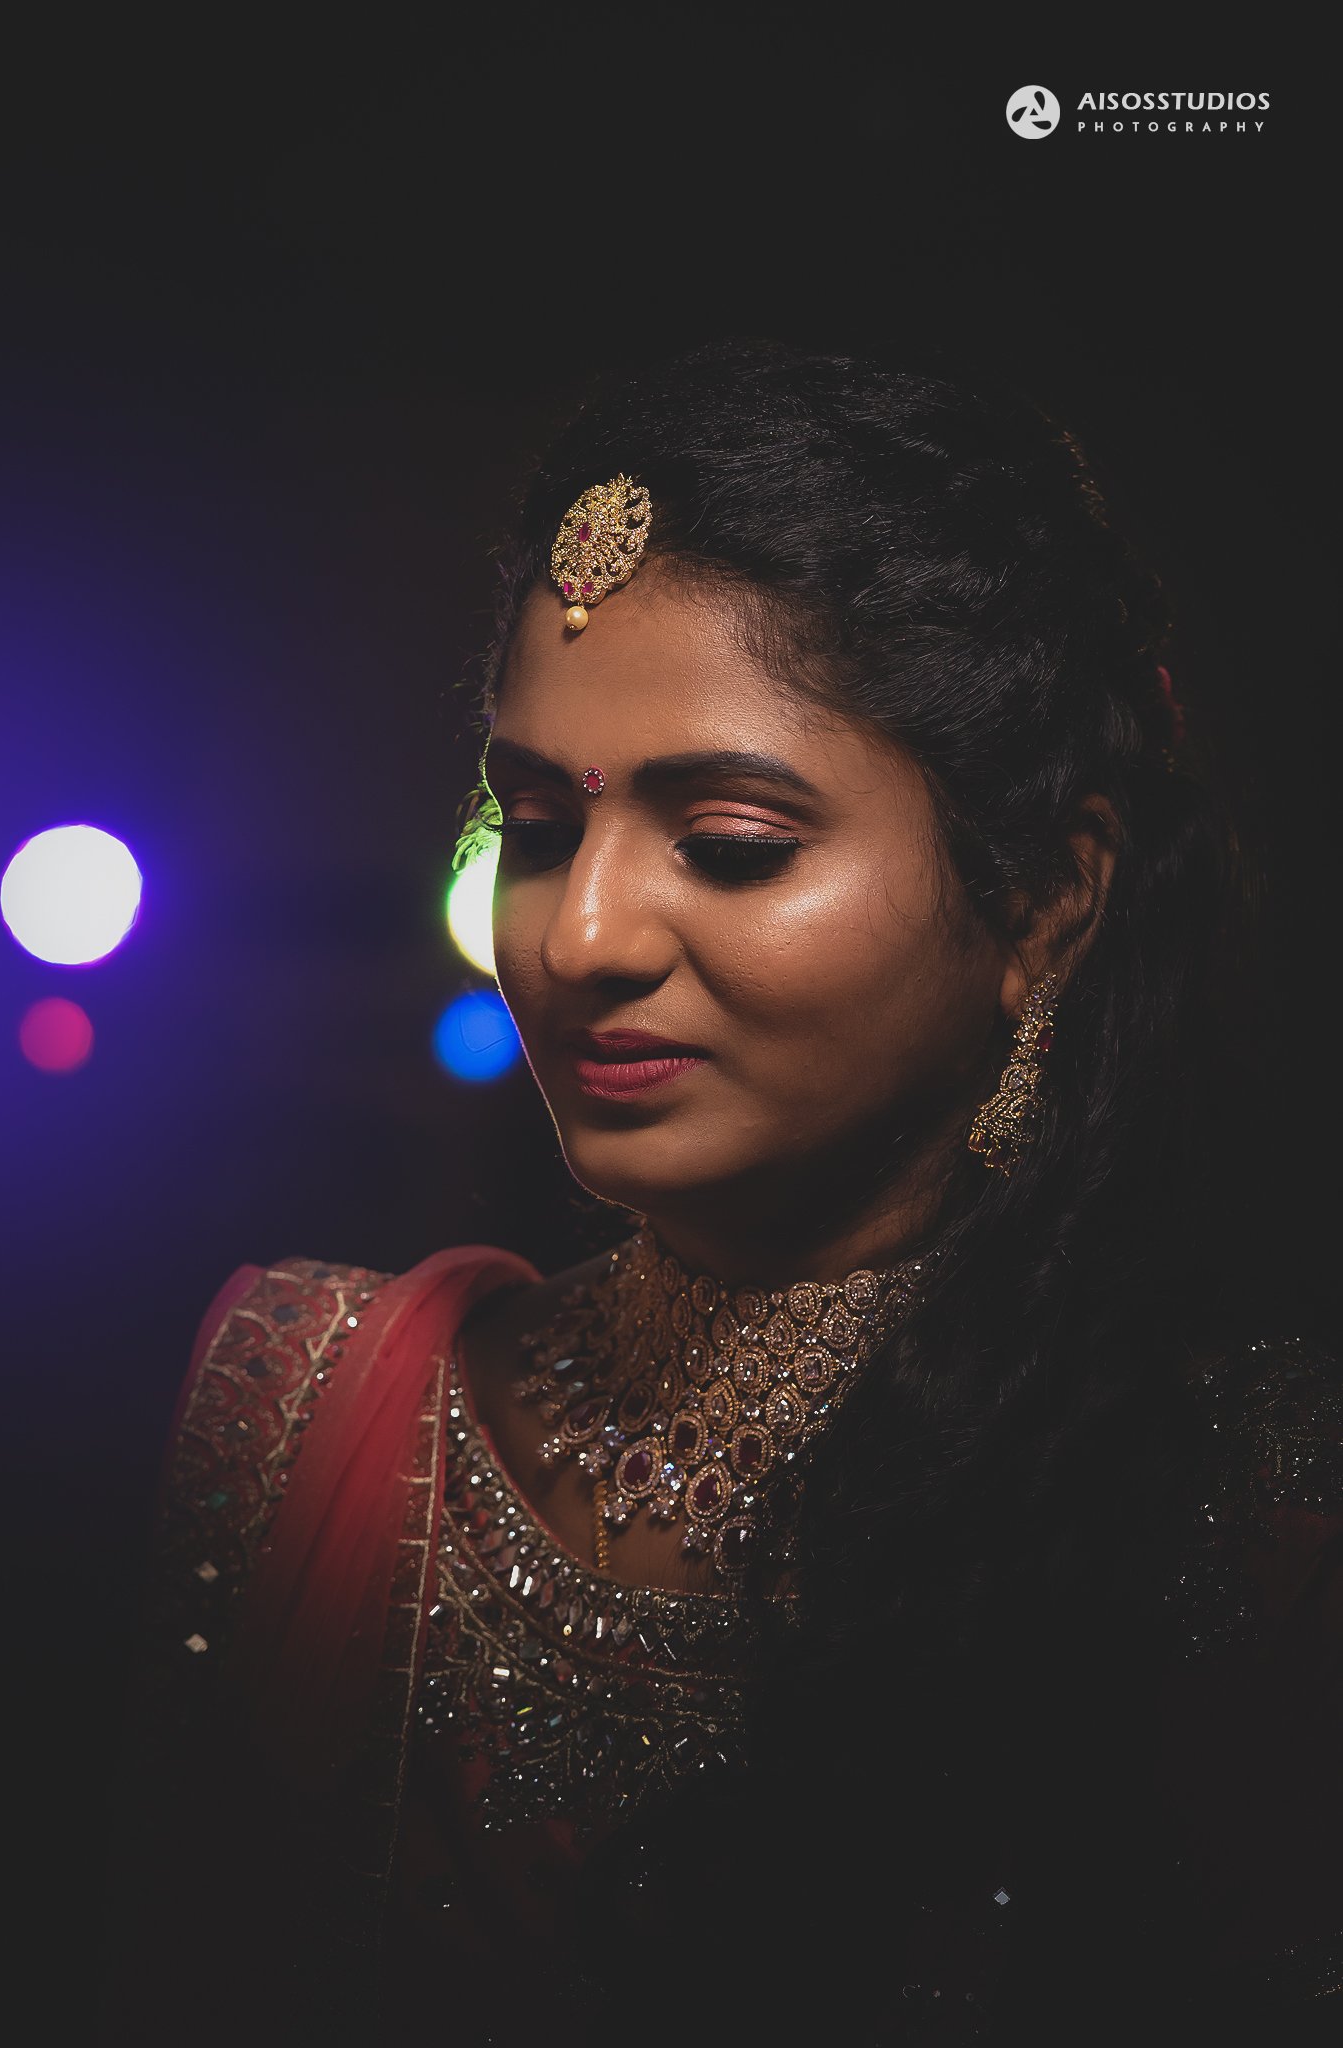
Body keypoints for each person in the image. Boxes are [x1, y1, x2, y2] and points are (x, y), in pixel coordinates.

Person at [102, 339, 1341, 2046]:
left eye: (733, 844)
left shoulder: (1253, 1519)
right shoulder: (302, 1413)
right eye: (539, 826)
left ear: (1046, 903)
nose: (577, 937)